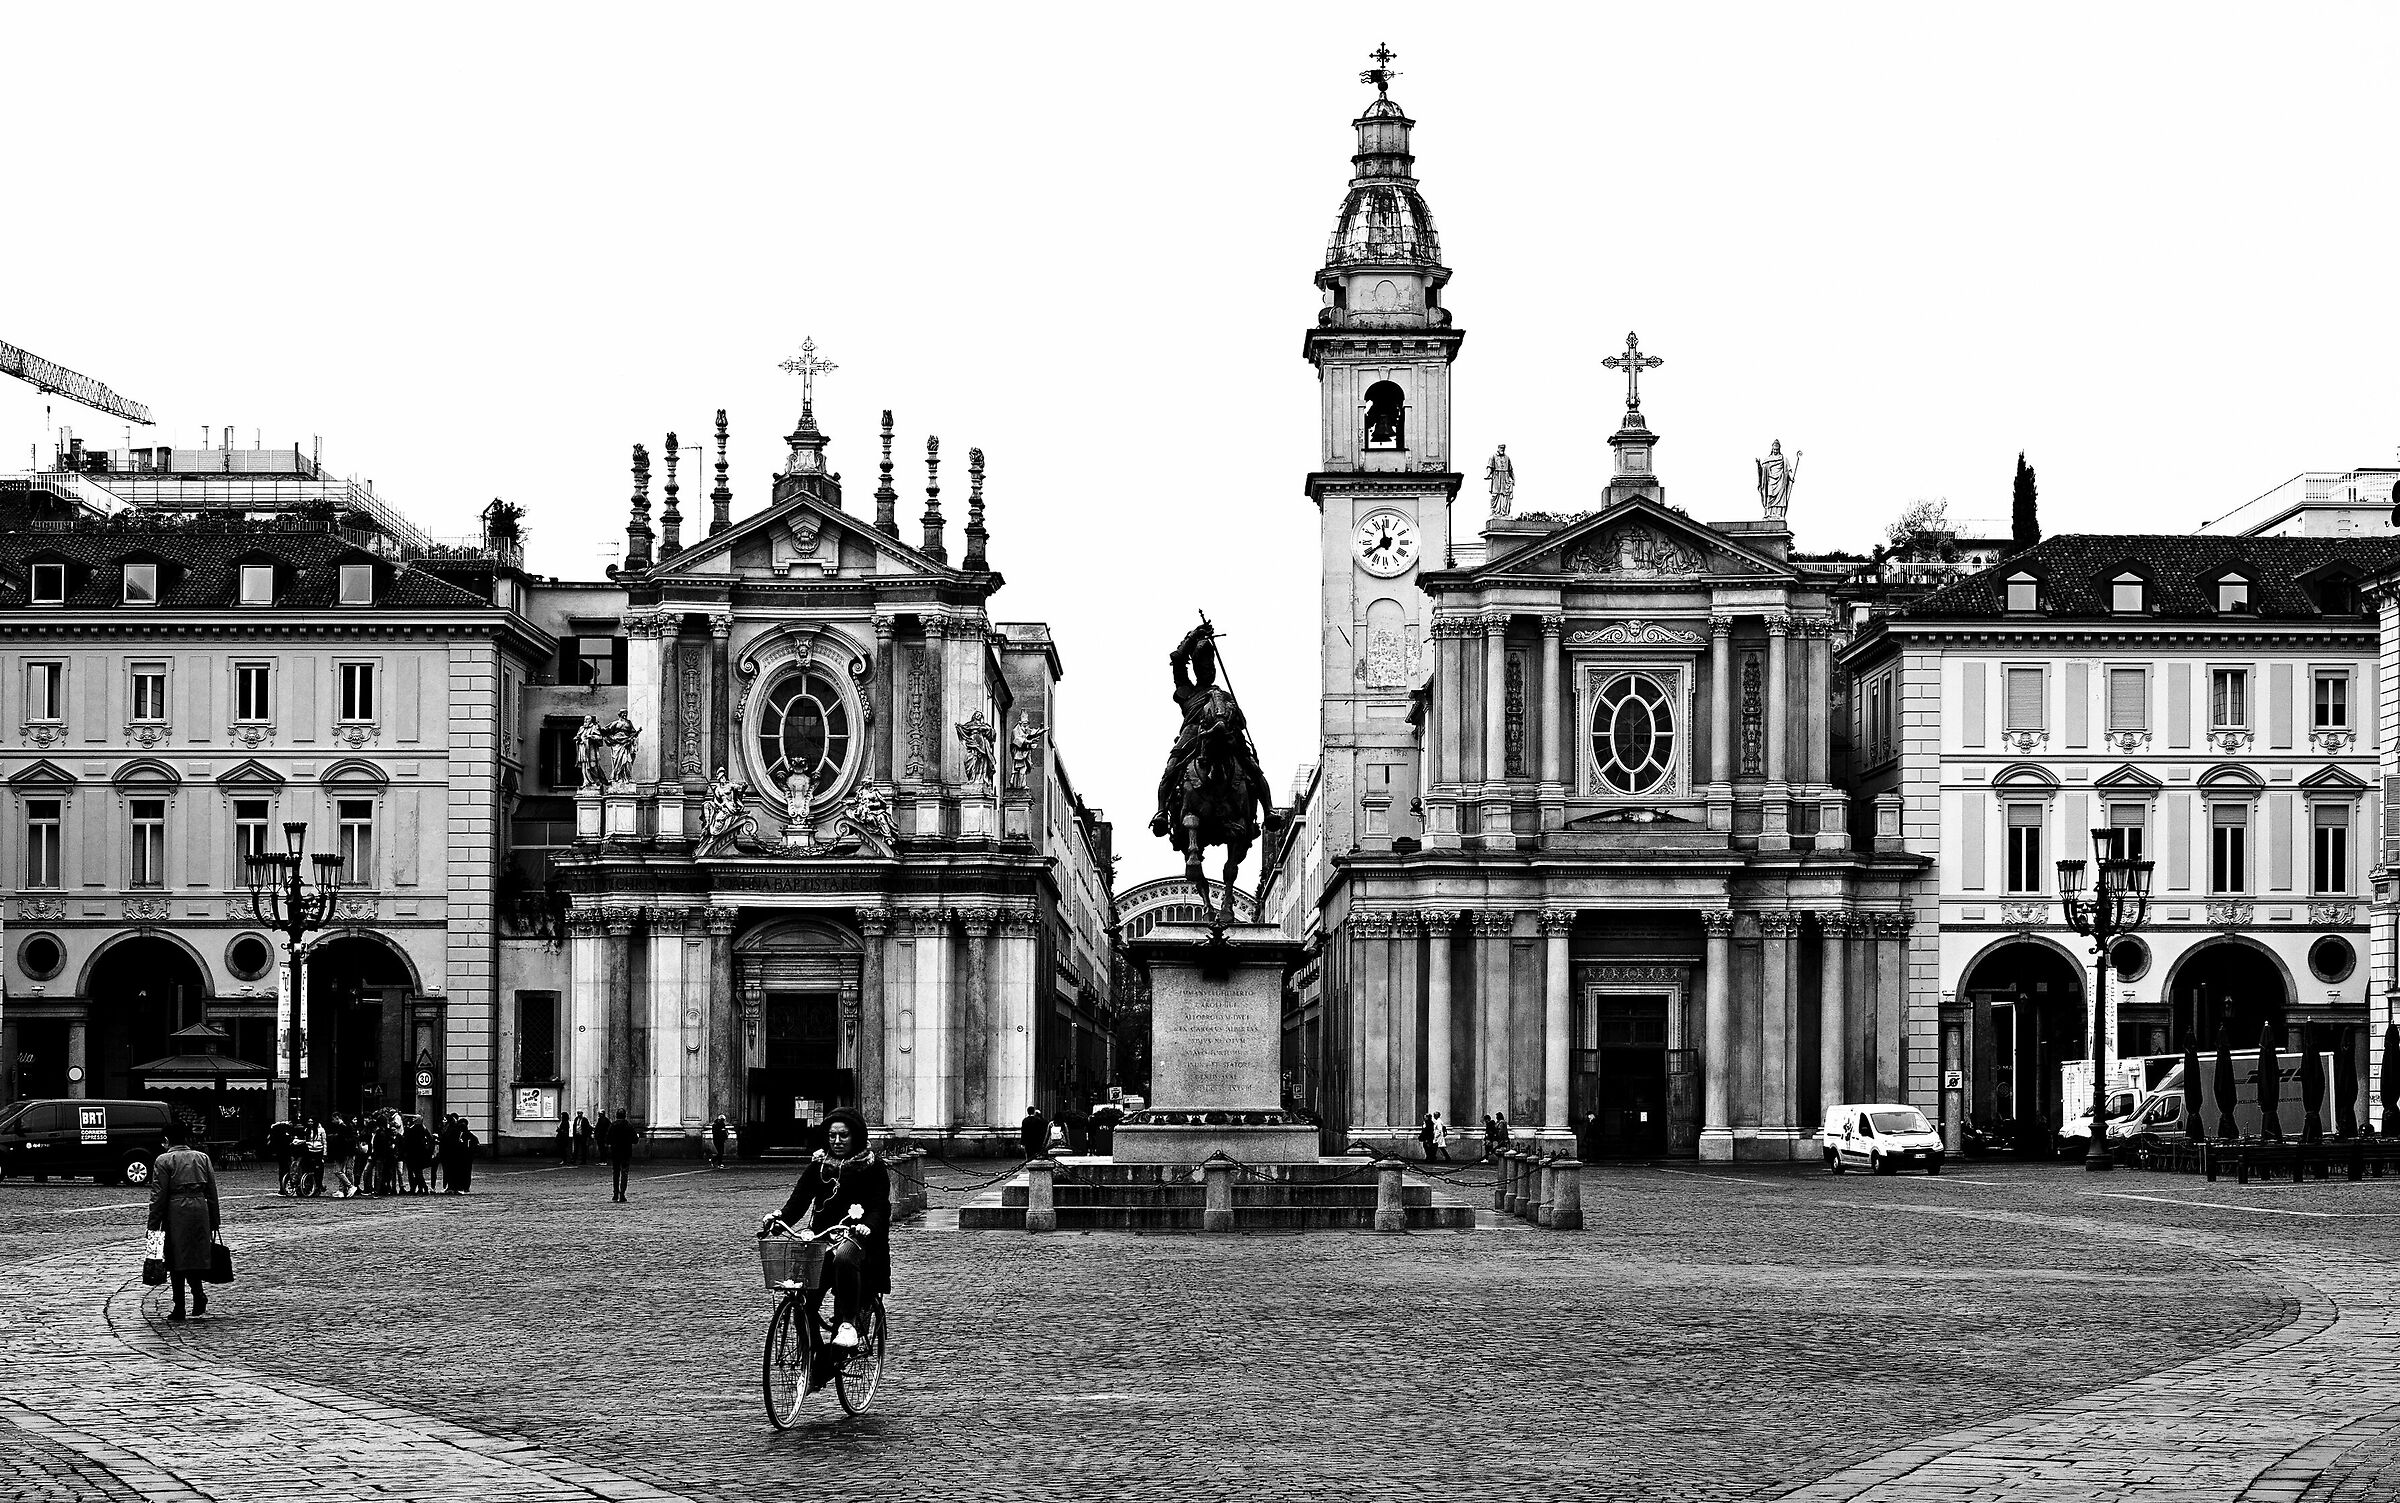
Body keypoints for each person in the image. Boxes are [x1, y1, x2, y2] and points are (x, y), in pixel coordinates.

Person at [761, 1108, 890, 1374]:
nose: (837, 1141)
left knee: (845, 1256)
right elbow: (800, 1199)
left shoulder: (872, 1165)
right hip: (822, 1237)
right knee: (801, 1295)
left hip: (857, 1238)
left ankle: (848, 1323)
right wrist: (780, 1217)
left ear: (855, 1136)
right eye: (832, 1135)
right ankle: (820, 1360)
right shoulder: (819, 1165)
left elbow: (880, 1206)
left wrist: (867, 1226)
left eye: (843, 1135)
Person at [147, 1122, 221, 1323]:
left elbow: (158, 1195)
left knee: (175, 1259)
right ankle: (198, 1295)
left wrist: (153, 1224)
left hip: (176, 1211)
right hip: (199, 1209)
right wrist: (214, 1220)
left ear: (167, 1140)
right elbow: (212, 1192)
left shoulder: (164, 1160)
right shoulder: (202, 1158)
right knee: (194, 1257)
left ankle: (179, 1306)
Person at [606, 1110, 637, 1202]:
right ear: (625, 1115)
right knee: (624, 1173)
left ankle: (615, 1193)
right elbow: (635, 1140)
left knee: (615, 1173)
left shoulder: (613, 1125)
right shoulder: (629, 1126)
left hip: (615, 1152)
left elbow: (608, 1139)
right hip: (626, 1152)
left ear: (616, 1115)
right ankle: (622, 1193)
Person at [267, 1118, 295, 1194]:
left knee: (282, 1169)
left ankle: (283, 1187)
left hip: (280, 1153)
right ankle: (286, 1186)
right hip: (286, 1153)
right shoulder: (284, 1130)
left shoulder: (276, 1129)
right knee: (287, 1169)